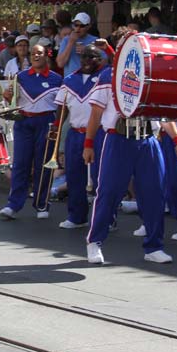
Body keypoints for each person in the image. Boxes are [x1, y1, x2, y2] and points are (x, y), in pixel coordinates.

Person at [83, 56, 177, 265]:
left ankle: (154, 246)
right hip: (118, 138)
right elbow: (96, 112)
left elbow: (163, 114)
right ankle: (94, 241)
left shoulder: (153, 75)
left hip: (148, 139)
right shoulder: (109, 75)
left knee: (154, 193)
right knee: (109, 191)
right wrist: (88, 143)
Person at [0, 43, 63, 220]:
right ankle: (14, 204)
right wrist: (7, 96)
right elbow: (10, 102)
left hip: (46, 122)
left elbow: (61, 107)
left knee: (44, 164)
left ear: (46, 56)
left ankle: (42, 204)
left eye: (39, 53)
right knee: (20, 164)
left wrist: (57, 125)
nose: (36, 56)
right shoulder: (20, 76)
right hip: (24, 122)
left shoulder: (57, 79)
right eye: (33, 53)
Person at [54, 43, 107, 230]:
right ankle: (77, 216)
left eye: (92, 57)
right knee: (74, 176)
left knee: (101, 177)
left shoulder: (105, 77)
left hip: (99, 133)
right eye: (84, 56)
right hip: (75, 134)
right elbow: (61, 109)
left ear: (99, 60)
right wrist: (56, 131)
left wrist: (108, 47)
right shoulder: (69, 80)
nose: (87, 61)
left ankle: (108, 219)